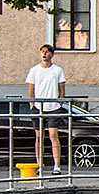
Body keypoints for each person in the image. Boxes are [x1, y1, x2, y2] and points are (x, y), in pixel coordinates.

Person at [25, 43, 67, 174]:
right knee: (39, 137)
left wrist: (59, 104)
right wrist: (32, 105)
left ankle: (57, 166)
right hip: (38, 107)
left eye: (47, 52)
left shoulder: (57, 70)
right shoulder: (34, 70)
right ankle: (39, 165)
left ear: (52, 54)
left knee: (53, 135)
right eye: (42, 51)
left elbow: (62, 89)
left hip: (53, 107)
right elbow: (31, 89)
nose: (44, 54)